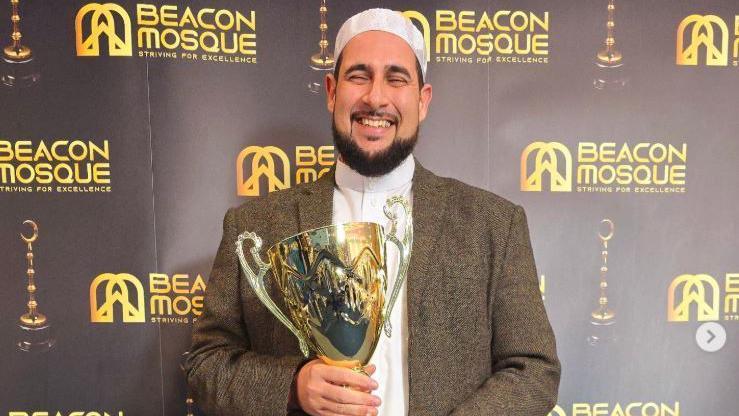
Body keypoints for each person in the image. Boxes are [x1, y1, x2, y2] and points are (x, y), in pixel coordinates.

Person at [186, 8, 560, 416]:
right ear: (331, 91)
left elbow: (533, 369)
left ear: (423, 99)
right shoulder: (255, 226)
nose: (375, 97)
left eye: (396, 78)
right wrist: (293, 386)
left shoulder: (493, 225)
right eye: (359, 76)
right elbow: (206, 366)